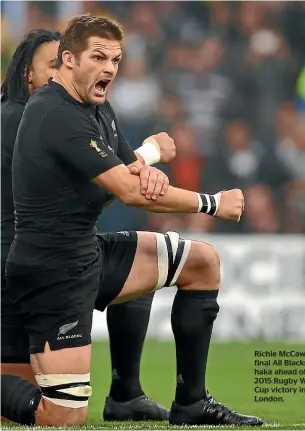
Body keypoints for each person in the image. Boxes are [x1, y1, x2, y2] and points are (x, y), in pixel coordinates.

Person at [1, 14, 264, 427]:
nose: (109, 68)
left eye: (116, 60)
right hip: (51, 272)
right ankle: (123, 393)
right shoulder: (51, 111)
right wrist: (211, 203)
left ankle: (187, 403)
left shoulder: (98, 111)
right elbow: (129, 189)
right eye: (99, 57)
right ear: (69, 61)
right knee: (62, 416)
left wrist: (144, 169)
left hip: (88, 251)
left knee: (201, 262)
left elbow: (130, 172)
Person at [0, 29, 175, 422]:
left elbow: (114, 174)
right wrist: (151, 155)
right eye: (53, 65)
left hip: (60, 255)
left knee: (139, 267)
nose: (65, 72)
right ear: (29, 74)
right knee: (37, 411)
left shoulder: (74, 115)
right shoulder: (22, 117)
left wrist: (136, 170)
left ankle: (127, 391)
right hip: (23, 267)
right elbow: (106, 181)